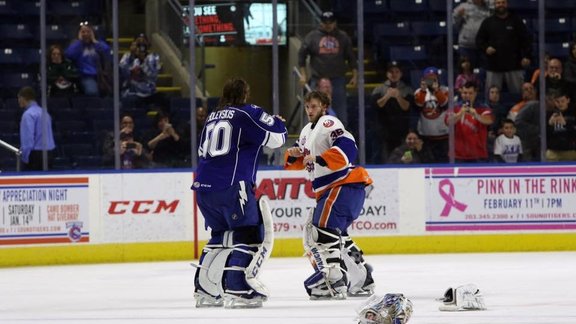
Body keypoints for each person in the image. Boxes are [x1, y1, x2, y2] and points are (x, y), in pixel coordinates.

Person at [191, 77, 287, 308]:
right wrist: (278, 122)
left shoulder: (212, 117)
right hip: (233, 185)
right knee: (249, 234)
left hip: (203, 187)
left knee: (220, 236)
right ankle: (237, 288)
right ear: (245, 94)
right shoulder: (246, 112)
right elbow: (277, 139)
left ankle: (205, 290)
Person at [284, 90, 374, 300]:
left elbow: (347, 148)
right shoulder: (307, 130)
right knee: (336, 235)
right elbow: (303, 161)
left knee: (321, 231)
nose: (309, 110)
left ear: (324, 106)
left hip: (342, 185)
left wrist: (319, 158)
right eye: (307, 106)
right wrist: (294, 154)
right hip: (338, 189)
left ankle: (334, 281)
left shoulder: (329, 123)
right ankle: (362, 278)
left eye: (314, 106)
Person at [298, 11, 357, 127]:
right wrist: (303, 74)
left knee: (341, 111)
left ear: (335, 23)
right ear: (321, 23)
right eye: (325, 22)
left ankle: (341, 135)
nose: (328, 25)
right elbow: (301, 55)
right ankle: (309, 134)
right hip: (318, 78)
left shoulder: (343, 37)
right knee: (313, 110)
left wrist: (355, 75)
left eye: (331, 22)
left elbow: (351, 57)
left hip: (337, 79)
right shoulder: (312, 36)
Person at [475, 0, 532, 96]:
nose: (500, 5)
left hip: (514, 66)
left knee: (518, 95)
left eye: (503, 2)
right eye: (498, 3)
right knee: (491, 97)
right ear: (494, 5)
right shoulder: (488, 22)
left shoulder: (516, 21)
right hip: (494, 66)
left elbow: (526, 40)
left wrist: (526, 56)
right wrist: (486, 48)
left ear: (507, 4)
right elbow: (479, 40)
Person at [370, 61, 414, 162]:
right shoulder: (379, 89)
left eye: (397, 71)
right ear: (387, 74)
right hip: (383, 131)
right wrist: (387, 95)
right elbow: (376, 105)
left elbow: (407, 107)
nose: (394, 74)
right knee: (385, 158)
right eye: (391, 72)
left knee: (404, 158)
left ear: (401, 74)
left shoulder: (407, 89)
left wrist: (398, 96)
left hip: (402, 131)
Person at [445, 81, 494, 163]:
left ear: (475, 93)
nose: (467, 95)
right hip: (458, 155)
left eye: (470, 93)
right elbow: (448, 122)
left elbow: (489, 120)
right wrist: (460, 113)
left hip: (478, 154)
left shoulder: (483, 107)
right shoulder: (455, 107)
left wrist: (476, 115)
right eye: (465, 93)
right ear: (461, 93)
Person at [65, 22, 112, 97]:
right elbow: (69, 54)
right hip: (86, 75)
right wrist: (80, 42)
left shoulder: (98, 43)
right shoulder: (76, 44)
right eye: (83, 32)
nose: (86, 34)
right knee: (92, 92)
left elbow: (107, 51)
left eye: (88, 31)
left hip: (101, 75)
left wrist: (95, 41)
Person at [414, 66, 450, 163]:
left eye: (433, 78)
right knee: (427, 161)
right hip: (426, 136)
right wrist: (423, 91)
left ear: (437, 78)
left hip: (443, 136)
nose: (431, 81)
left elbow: (444, 104)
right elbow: (419, 105)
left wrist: (437, 90)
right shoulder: (418, 91)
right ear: (423, 79)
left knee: (443, 162)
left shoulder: (446, 90)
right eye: (428, 78)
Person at [18, 86, 56, 171]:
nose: (18, 101)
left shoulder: (28, 115)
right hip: (49, 153)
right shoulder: (44, 112)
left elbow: (28, 140)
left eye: (19, 98)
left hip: (35, 156)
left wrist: (24, 158)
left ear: (23, 98)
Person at [119, 34, 162, 101]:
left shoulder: (154, 57)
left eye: (143, 43)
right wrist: (132, 56)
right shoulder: (127, 56)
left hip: (149, 92)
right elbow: (122, 72)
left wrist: (142, 61)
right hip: (131, 91)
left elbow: (153, 75)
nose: (141, 47)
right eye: (138, 44)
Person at [452, 0, 490, 68]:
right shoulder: (463, 7)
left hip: (484, 46)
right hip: (466, 46)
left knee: (485, 71)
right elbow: (454, 25)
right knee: (466, 71)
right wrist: (459, 16)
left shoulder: (489, 7)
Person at [545, 90, 576, 161]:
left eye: (562, 101)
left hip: (570, 150)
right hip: (553, 151)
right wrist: (549, 125)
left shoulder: (573, 114)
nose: (560, 104)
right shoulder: (549, 115)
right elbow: (543, 135)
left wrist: (566, 124)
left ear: (568, 100)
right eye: (557, 102)